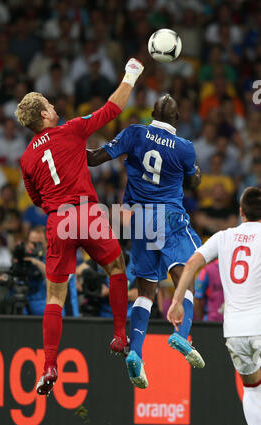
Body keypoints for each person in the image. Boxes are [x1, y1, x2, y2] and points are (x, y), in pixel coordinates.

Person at [15, 58, 144, 395]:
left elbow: (35, 198)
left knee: (54, 296)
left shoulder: (27, 158)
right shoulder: (70, 129)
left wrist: (57, 210)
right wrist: (130, 74)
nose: (54, 106)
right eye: (49, 104)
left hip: (58, 219)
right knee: (116, 268)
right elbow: (112, 109)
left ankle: (49, 365)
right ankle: (119, 334)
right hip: (87, 213)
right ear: (43, 114)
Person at [87, 93, 205, 389]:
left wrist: (68, 144)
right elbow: (192, 181)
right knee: (185, 279)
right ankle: (181, 333)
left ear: (151, 112)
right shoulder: (185, 148)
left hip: (138, 220)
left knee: (145, 292)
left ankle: (136, 352)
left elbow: (94, 158)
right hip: (169, 217)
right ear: (177, 120)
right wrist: (197, 175)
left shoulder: (134, 132)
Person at [167, 186, 261, 425]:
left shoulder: (223, 237)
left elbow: (191, 264)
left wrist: (177, 301)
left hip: (234, 331)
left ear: (241, 212)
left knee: (253, 389)